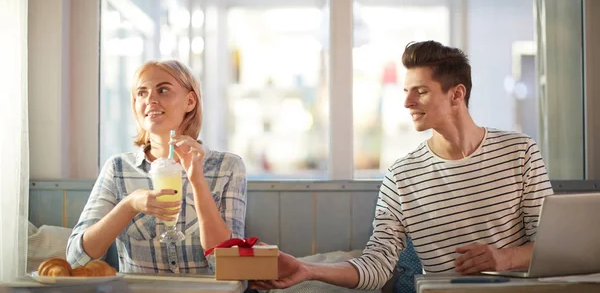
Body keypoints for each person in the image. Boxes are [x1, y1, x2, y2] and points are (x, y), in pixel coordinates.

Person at [252, 41, 553, 291]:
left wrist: (505, 258)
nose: (407, 102)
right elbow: (378, 265)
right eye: (405, 91)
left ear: (456, 94)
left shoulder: (519, 152)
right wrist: (308, 269)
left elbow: (552, 246)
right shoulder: (402, 176)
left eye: (419, 91)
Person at [67, 59, 247, 273]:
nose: (150, 100)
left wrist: (197, 180)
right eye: (141, 93)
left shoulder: (228, 167)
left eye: (163, 90)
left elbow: (228, 263)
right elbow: (77, 260)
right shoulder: (118, 169)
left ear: (190, 101)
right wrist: (129, 205)